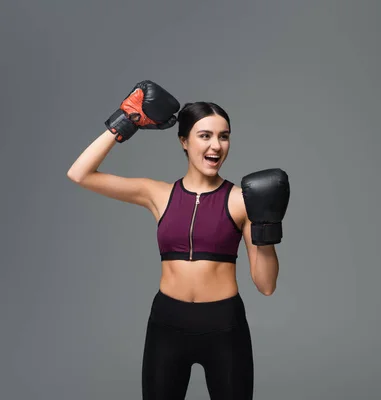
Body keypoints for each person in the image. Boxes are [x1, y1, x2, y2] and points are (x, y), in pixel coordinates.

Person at [66, 80, 290, 400]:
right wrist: (125, 120)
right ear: (184, 141)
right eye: (205, 135)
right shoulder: (157, 193)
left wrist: (268, 229)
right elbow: (80, 173)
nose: (216, 146)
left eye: (223, 136)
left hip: (224, 326)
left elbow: (266, 286)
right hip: (167, 325)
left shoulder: (243, 200)